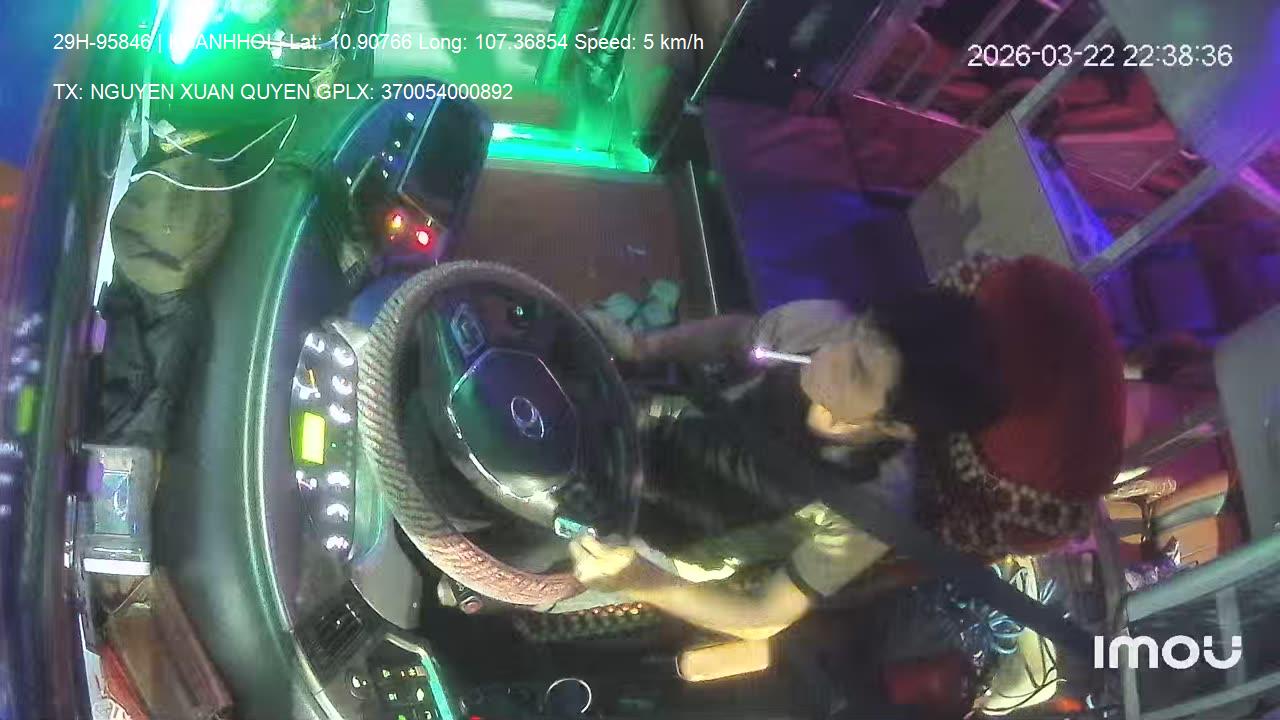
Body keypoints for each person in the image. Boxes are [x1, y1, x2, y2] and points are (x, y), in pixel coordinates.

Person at [569, 254, 1125, 642]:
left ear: (898, 427)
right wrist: (643, 346)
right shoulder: (823, 326)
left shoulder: (870, 507)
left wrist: (640, 580)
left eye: (857, 370)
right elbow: (741, 336)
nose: (829, 356)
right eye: (858, 332)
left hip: (650, 541)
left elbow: (763, 614)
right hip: (641, 427)